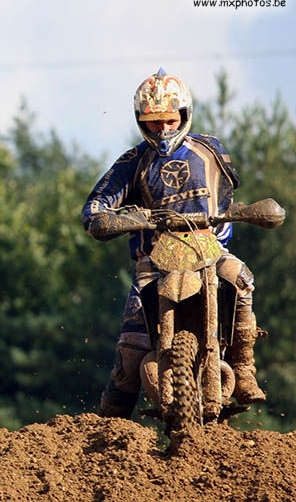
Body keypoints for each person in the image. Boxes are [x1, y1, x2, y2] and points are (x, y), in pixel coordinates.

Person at [81, 68, 265, 419]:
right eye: (152, 122)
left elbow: (229, 196)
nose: (162, 129)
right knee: (131, 355)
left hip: (209, 250)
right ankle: (105, 426)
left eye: (168, 120)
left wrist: (239, 215)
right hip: (155, 258)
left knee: (242, 279)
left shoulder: (210, 150)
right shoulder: (132, 163)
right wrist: (115, 219)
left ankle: (243, 370)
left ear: (183, 114)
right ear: (140, 121)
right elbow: (94, 207)